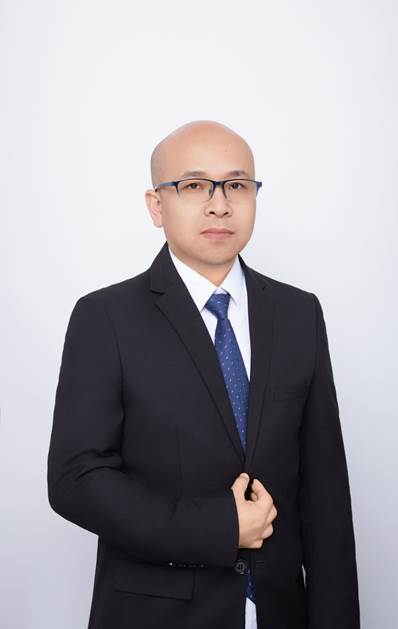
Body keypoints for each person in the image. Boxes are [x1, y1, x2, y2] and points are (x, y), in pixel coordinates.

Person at [47, 120, 360, 629]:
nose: (220, 204)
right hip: (156, 614)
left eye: (237, 185)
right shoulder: (105, 318)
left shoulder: (299, 313)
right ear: (156, 205)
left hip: (282, 611)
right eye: (194, 185)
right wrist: (219, 527)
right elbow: (76, 479)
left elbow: (326, 492)